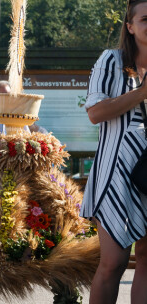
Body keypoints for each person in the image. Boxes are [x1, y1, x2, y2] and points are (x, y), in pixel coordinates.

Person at [80, 1, 147, 303]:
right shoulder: (112, 60)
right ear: (130, 27)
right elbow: (95, 113)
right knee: (113, 263)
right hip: (116, 172)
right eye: (146, 19)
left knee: (146, 259)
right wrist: (143, 91)